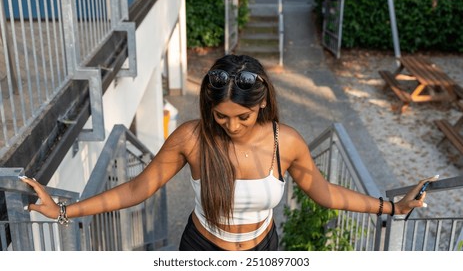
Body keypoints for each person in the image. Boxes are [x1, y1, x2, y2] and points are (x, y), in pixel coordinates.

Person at [20, 54, 437, 251]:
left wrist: (392, 209)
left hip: (264, 250)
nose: (232, 126)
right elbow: (136, 189)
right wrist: (61, 209)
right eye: (221, 117)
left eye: (244, 116)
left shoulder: (285, 141)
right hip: (202, 250)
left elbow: (325, 193)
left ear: (263, 104)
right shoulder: (191, 138)